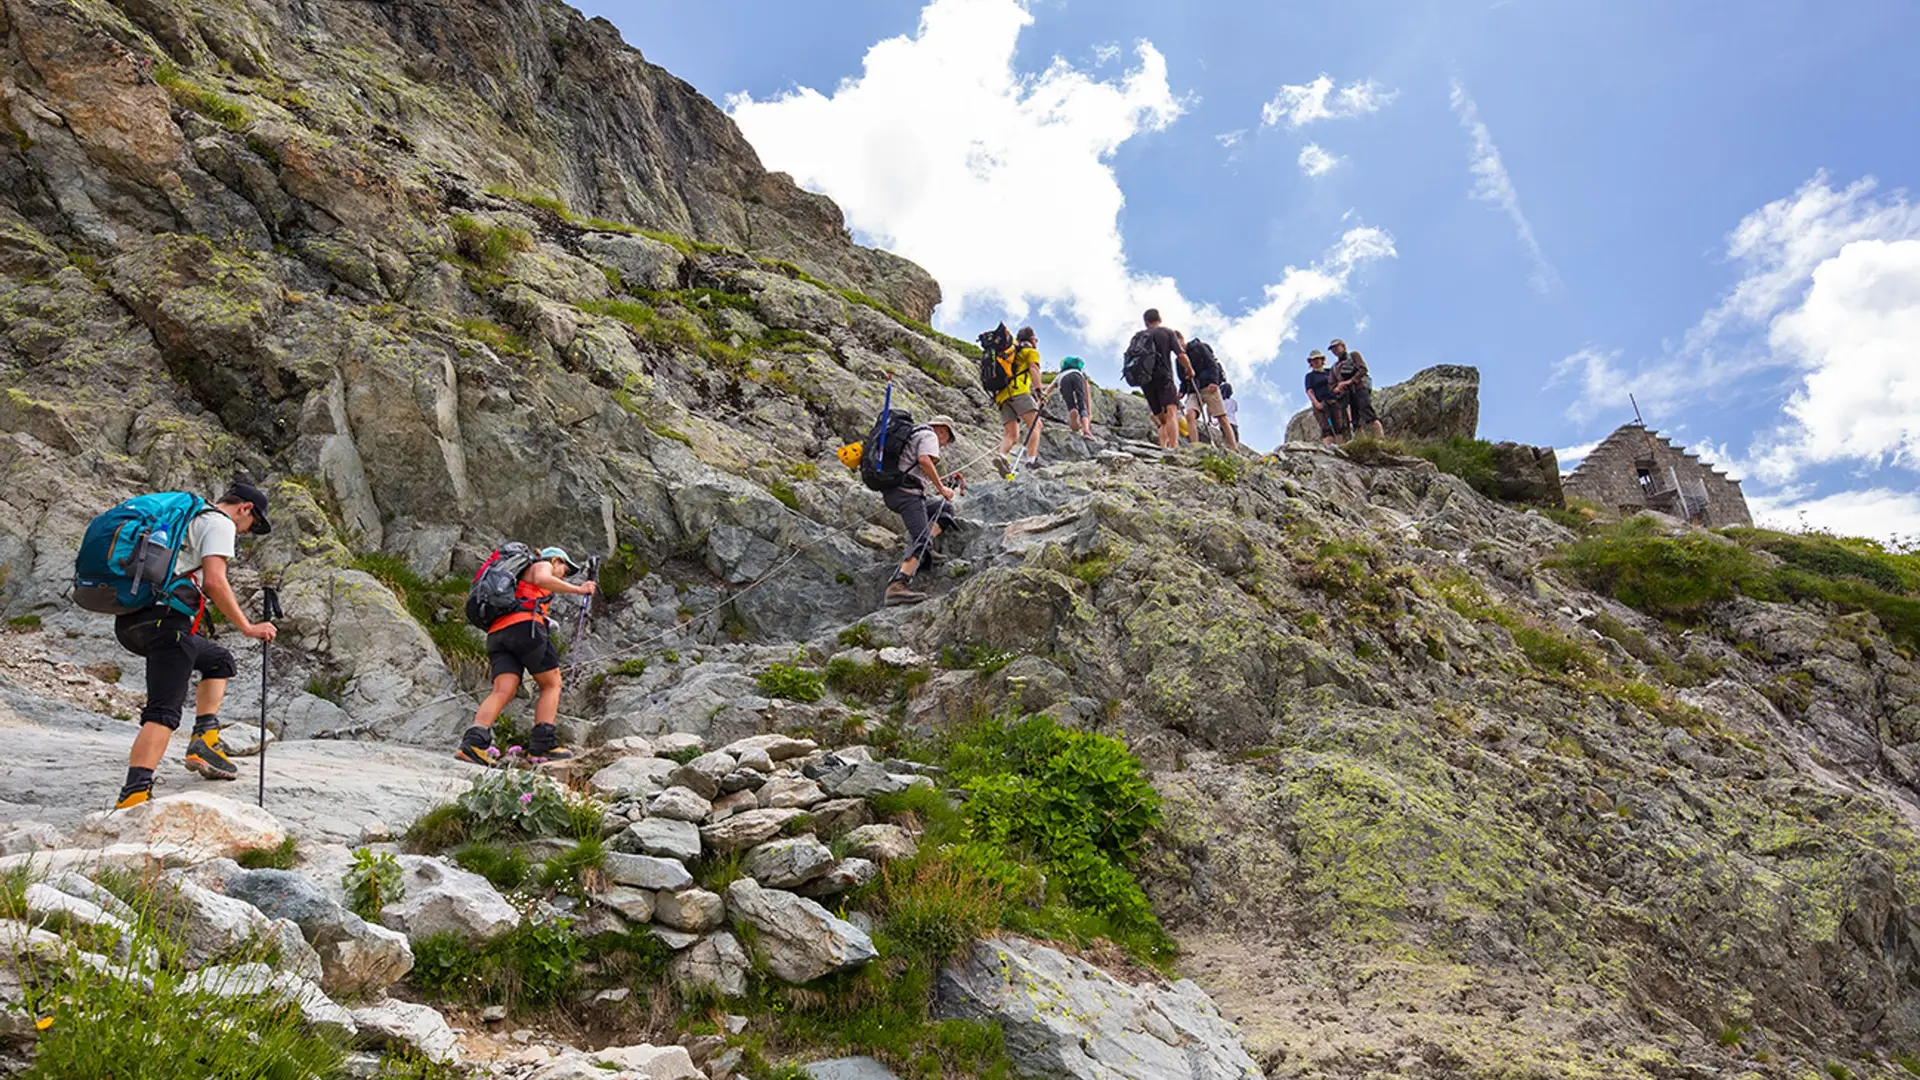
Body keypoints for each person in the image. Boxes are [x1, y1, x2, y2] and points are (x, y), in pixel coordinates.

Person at [112, 483, 276, 809]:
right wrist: (247, 627)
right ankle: (134, 795)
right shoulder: (220, 523)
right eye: (253, 524)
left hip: (137, 620)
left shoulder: (188, 520)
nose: (248, 531)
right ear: (244, 508)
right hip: (167, 623)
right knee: (163, 711)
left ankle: (204, 738)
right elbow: (215, 581)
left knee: (219, 660)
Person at [456, 547, 597, 766]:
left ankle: (474, 744)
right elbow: (542, 578)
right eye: (565, 569)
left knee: (503, 689)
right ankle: (542, 746)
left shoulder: (517, 580)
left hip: (497, 634)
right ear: (556, 560)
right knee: (552, 684)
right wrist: (579, 589)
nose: (563, 574)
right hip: (525, 628)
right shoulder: (542, 565)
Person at [881, 415, 960, 607]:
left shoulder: (914, 434)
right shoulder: (929, 435)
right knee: (921, 538)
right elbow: (924, 460)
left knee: (945, 509)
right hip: (907, 494)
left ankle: (927, 548)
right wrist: (942, 488)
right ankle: (897, 586)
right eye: (947, 440)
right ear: (942, 430)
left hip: (897, 492)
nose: (945, 444)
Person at [990, 327, 1045, 477]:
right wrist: (1039, 390)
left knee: (1011, 434)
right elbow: (1033, 368)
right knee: (1036, 425)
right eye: (1036, 340)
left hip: (1002, 396)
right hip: (1018, 391)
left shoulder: (1011, 353)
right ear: (1032, 339)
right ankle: (1031, 461)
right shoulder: (1030, 352)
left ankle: (1001, 456)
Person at [1139, 309, 1191, 449]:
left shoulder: (1140, 336)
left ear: (1146, 322)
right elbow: (1180, 355)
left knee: (1161, 419)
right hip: (1163, 376)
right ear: (1159, 319)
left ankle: (1163, 446)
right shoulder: (1167, 332)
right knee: (1171, 412)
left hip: (1145, 379)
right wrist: (1189, 370)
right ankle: (1173, 448)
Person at [1182, 337, 1237, 451]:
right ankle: (1195, 446)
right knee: (1189, 414)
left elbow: (1211, 363)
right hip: (1193, 389)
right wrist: (1182, 391)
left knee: (1221, 417)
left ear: (1181, 340)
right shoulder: (1179, 358)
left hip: (1209, 386)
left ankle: (1233, 447)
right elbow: (1183, 378)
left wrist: (1214, 381)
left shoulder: (1199, 348)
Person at [1330, 339, 1383, 439]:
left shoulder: (1354, 355)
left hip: (1360, 388)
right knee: (1355, 420)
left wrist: (1350, 381)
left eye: (1336, 347)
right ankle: (1362, 442)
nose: (1335, 350)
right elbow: (1331, 384)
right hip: (1347, 394)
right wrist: (1336, 388)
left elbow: (1363, 369)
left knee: (1368, 413)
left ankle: (1380, 439)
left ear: (1343, 346)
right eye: (1332, 349)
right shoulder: (1334, 367)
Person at [1303, 350, 1345, 446]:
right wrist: (1316, 403)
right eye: (1313, 360)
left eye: (1318, 359)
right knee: (1325, 427)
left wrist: (1339, 392)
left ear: (1322, 360)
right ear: (1310, 363)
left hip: (1334, 401)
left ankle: (1341, 448)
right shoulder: (1310, 376)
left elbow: (1338, 383)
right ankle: (1329, 447)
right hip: (1321, 403)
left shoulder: (1330, 372)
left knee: (1339, 425)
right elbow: (1309, 391)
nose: (1316, 361)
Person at [1056, 356, 1095, 438]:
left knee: (1070, 404)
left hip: (1063, 380)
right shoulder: (1080, 373)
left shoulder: (1060, 374)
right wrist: (1089, 413)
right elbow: (1086, 394)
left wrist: (1042, 397)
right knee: (1082, 405)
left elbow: (1048, 389)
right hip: (1077, 377)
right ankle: (1086, 430)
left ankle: (1073, 411)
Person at [1219, 381, 1240, 449]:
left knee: (1226, 439)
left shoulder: (1220, 402)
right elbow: (1235, 410)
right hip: (1233, 422)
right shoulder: (1234, 402)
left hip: (1223, 423)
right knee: (1235, 440)